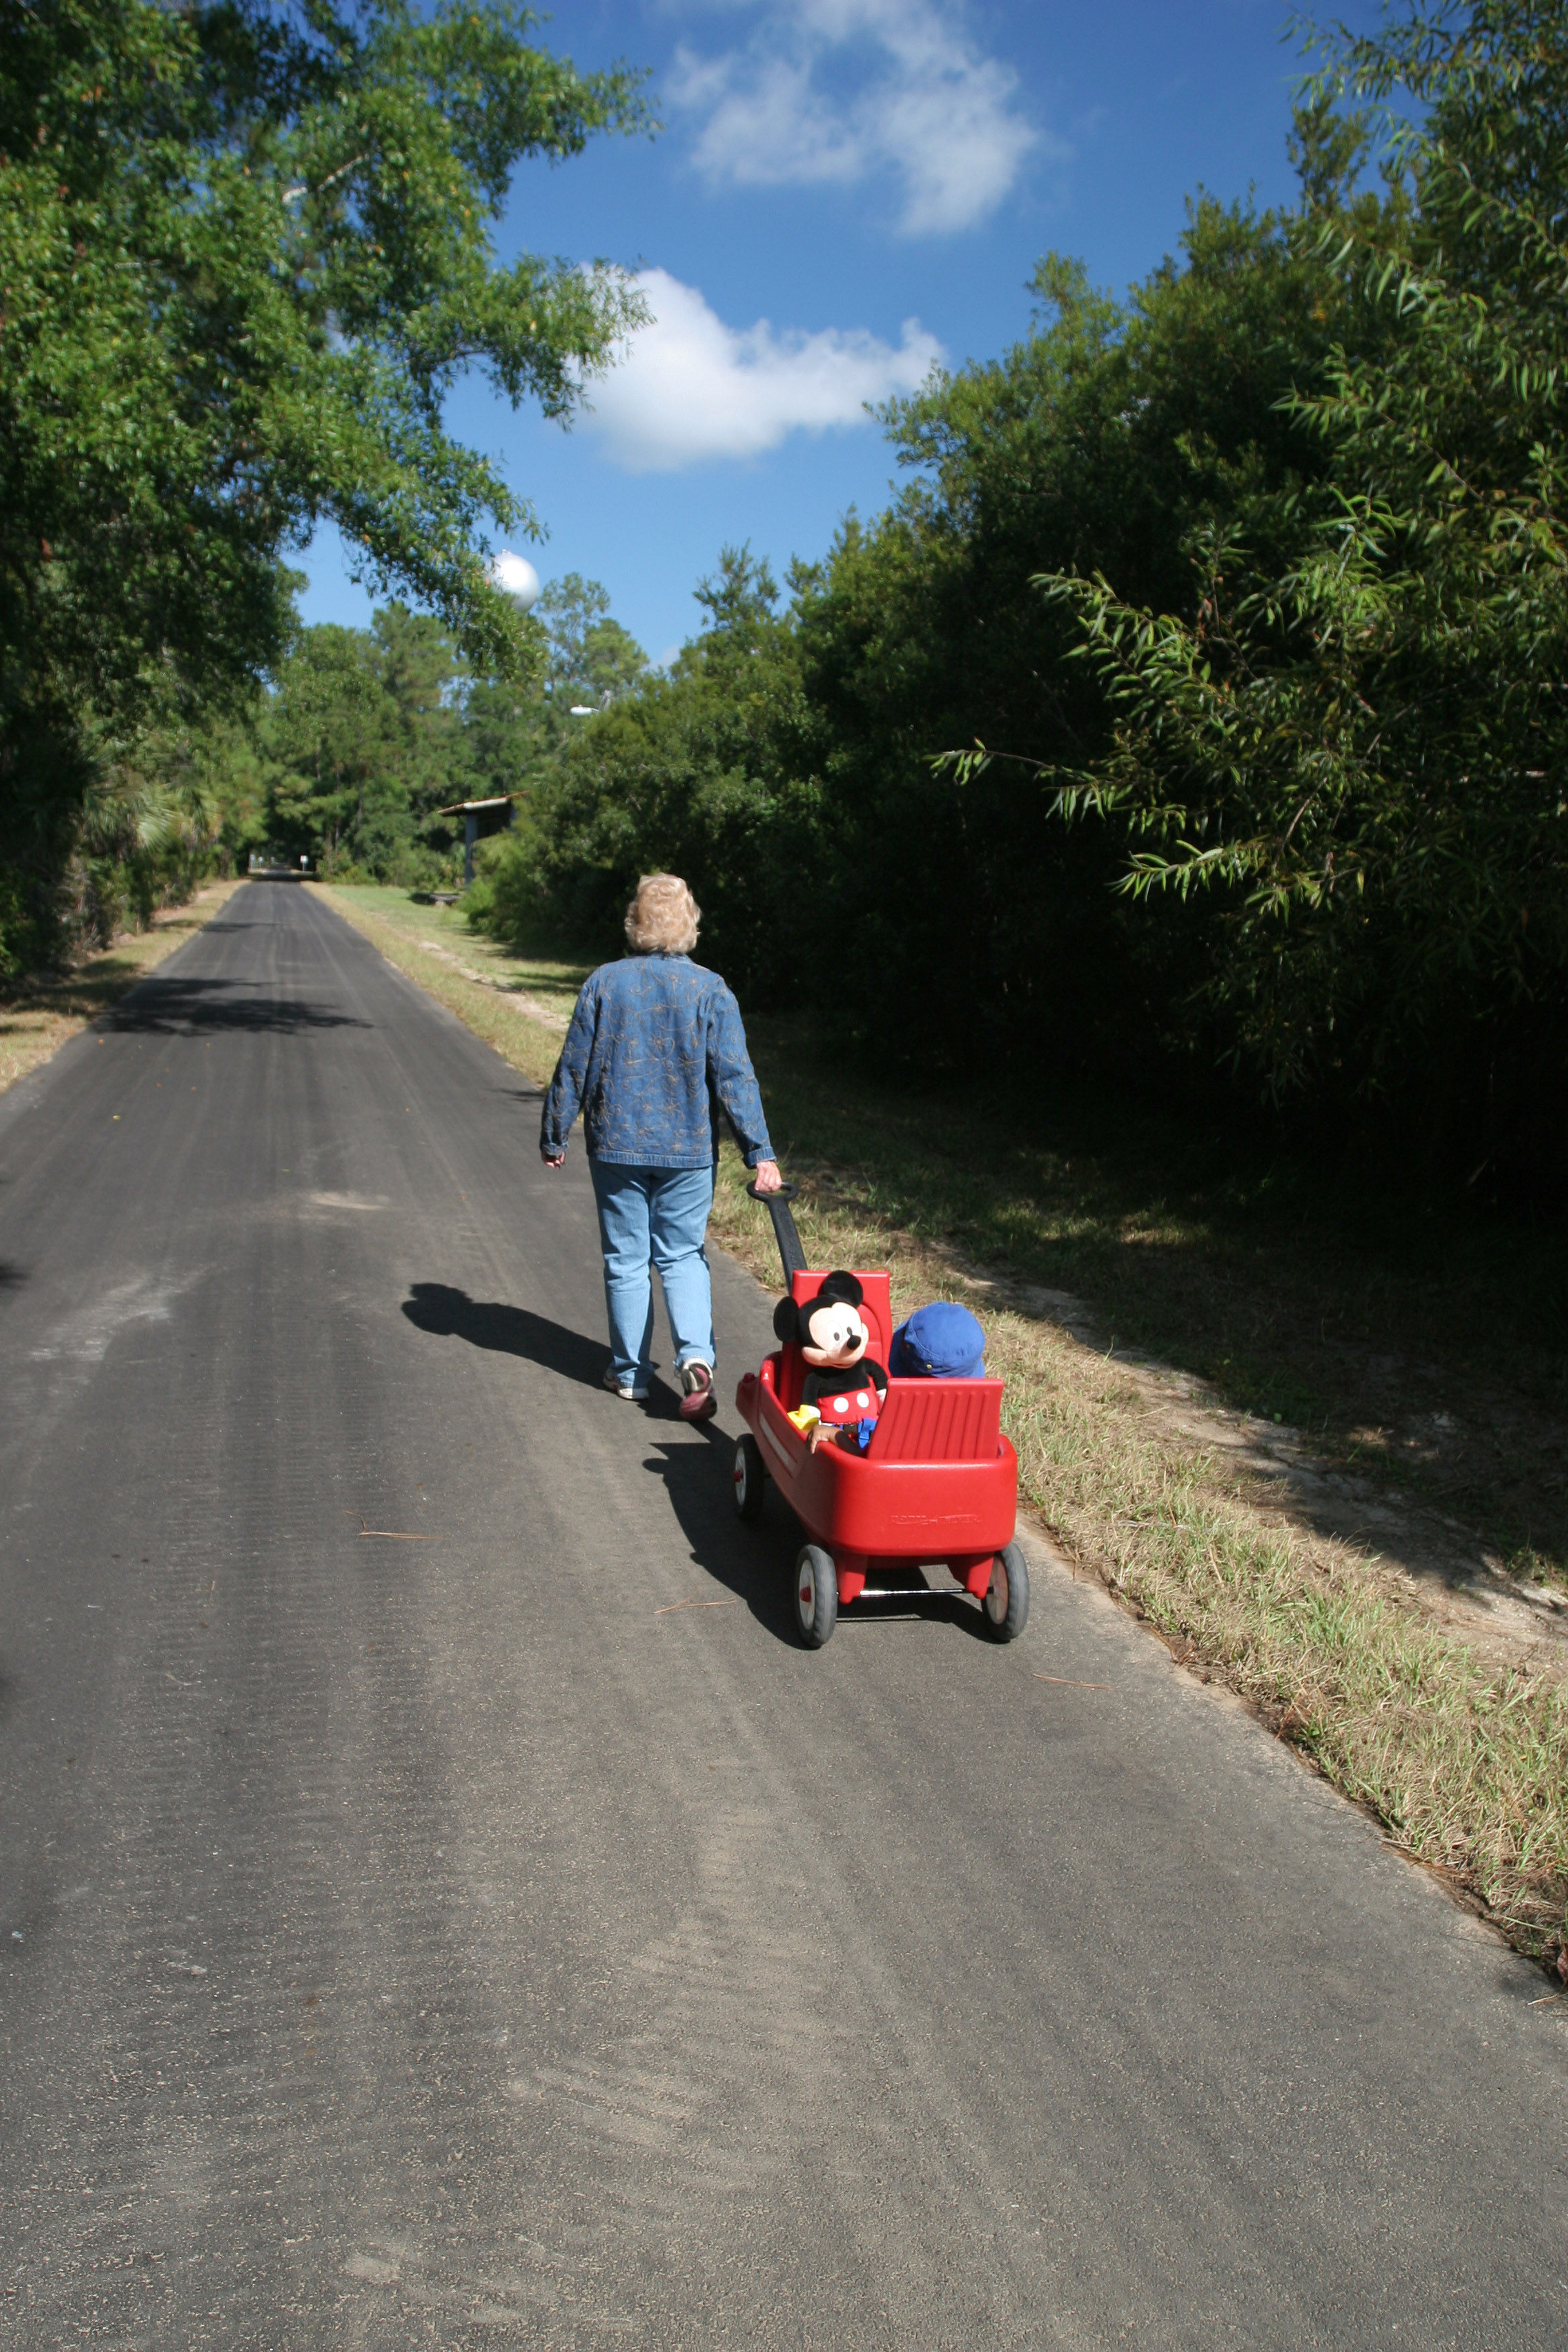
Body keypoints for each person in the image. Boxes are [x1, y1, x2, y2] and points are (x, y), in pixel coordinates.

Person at [540, 873, 782, 1419]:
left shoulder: (603, 983)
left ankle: (630, 1375)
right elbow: (735, 1077)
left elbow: (572, 1067)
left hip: (616, 1147)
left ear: (635, 922)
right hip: (689, 1152)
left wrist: (556, 1132)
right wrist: (759, 1152)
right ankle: (695, 1358)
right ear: (689, 923)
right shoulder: (712, 989)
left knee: (626, 1259)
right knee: (682, 1255)